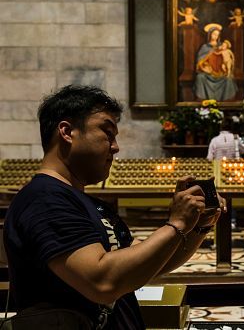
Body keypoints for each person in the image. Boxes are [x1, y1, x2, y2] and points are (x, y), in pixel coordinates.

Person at [4, 85, 226, 329]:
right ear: (67, 132)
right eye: (107, 133)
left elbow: (149, 264)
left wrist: (198, 226)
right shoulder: (44, 199)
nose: (115, 147)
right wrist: (176, 223)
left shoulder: (88, 203)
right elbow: (102, 282)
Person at [194, 24, 238, 101]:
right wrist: (206, 66)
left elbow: (227, 57)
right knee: (200, 77)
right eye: (214, 34)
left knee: (229, 79)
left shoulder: (222, 46)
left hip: (220, 72)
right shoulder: (205, 47)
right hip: (208, 73)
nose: (215, 36)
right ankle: (202, 100)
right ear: (210, 34)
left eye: (217, 35)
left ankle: (227, 102)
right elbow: (200, 61)